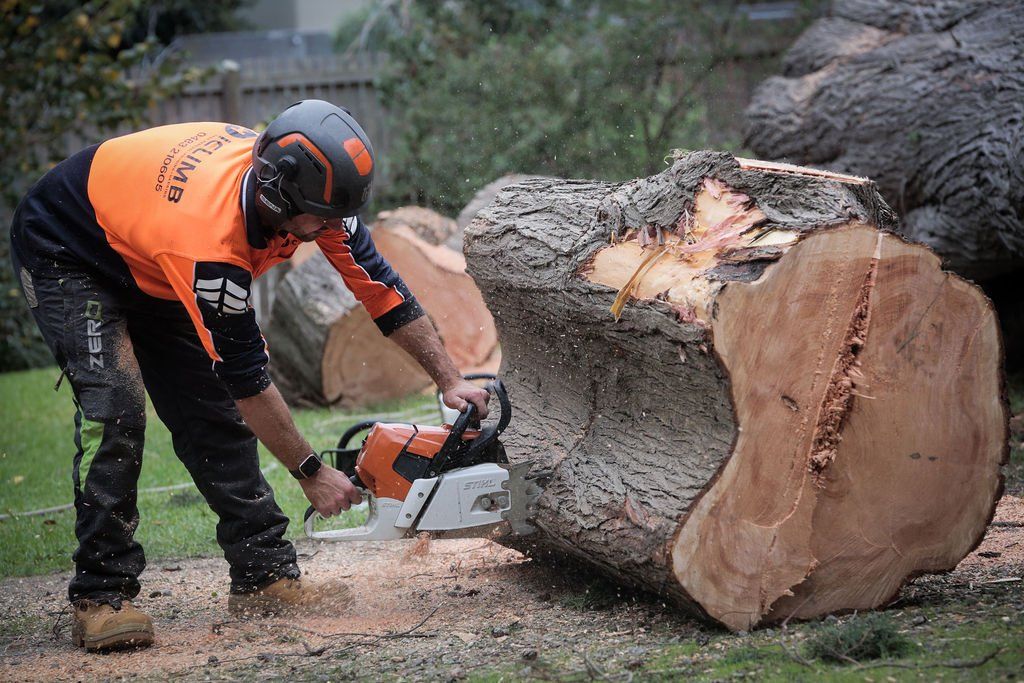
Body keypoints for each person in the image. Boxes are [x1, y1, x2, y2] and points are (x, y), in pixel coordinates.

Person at [8, 99, 489, 651]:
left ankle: (263, 577)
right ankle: (100, 595)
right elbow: (247, 380)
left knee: (209, 413)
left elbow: (379, 286)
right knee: (115, 411)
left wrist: (449, 379)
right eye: (319, 218)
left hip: (150, 248)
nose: (331, 228)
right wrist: (310, 470)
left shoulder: (315, 197)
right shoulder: (210, 246)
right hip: (70, 249)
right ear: (275, 195)